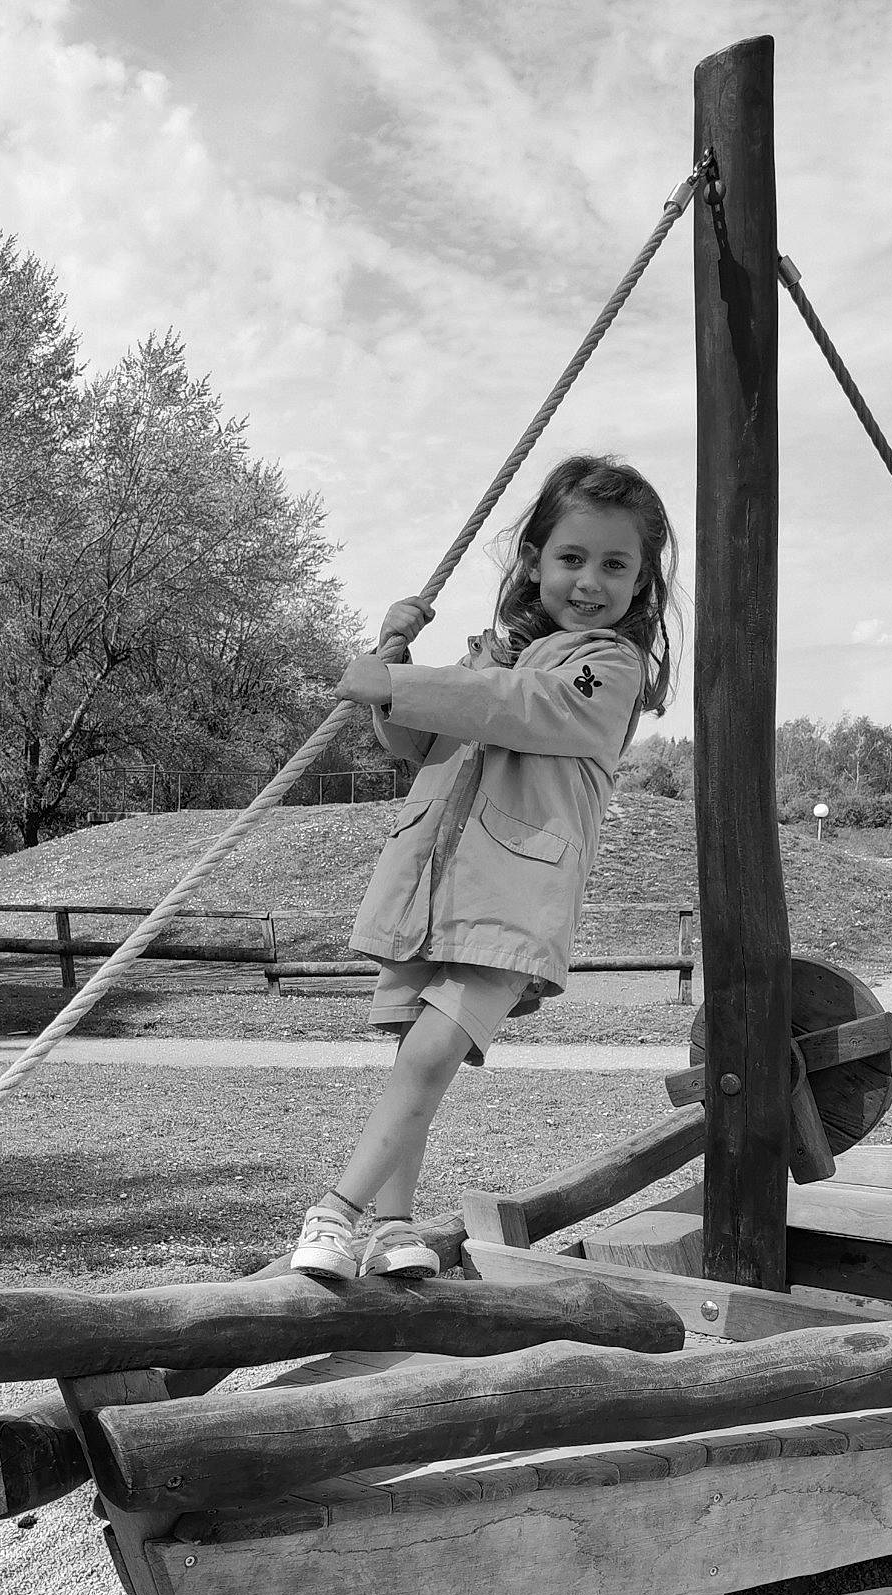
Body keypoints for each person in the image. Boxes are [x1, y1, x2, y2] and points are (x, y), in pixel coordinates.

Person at [290, 452, 678, 1280]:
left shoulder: (605, 668)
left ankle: (338, 1208)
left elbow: (518, 710)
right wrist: (388, 661)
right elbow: (415, 739)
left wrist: (399, 679)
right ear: (534, 560)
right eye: (571, 558)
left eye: (615, 565)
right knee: (410, 1059)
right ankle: (395, 1229)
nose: (588, 581)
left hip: (516, 892)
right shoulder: (488, 659)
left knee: (430, 1055)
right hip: (430, 883)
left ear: (640, 584)